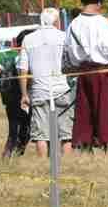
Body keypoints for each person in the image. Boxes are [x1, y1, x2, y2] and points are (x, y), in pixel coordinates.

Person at [64, 0, 108, 150]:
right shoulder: (100, 22)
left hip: (84, 72)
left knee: (86, 113)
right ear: (99, 1)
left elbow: (69, 52)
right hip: (102, 72)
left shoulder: (73, 24)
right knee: (106, 113)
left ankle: (86, 146)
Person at [19, 8, 71, 159]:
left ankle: (42, 165)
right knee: (66, 133)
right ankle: (69, 164)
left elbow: (23, 69)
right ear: (56, 21)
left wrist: (24, 94)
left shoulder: (28, 39)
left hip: (39, 90)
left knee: (41, 134)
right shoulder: (64, 37)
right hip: (63, 89)